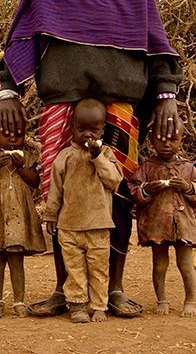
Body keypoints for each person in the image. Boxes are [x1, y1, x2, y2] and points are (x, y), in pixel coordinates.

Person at [0, 0, 183, 318]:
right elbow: (25, 29)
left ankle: (112, 289)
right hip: (63, 101)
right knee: (62, 196)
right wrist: (8, 89)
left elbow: (154, 37)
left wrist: (167, 94)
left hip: (120, 104)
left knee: (116, 197)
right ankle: (66, 289)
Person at [43, 99, 123, 323]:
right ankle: (77, 305)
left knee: (98, 268)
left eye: (94, 130)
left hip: (98, 225)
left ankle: (99, 306)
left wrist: (97, 157)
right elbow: (55, 190)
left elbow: (114, 180)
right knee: (74, 269)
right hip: (69, 225)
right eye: (81, 129)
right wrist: (51, 215)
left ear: (102, 130)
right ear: (72, 127)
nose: (87, 134)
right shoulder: (65, 156)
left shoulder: (106, 155)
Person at [0, 119, 46, 319]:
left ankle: (19, 301)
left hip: (18, 217)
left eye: (19, 134)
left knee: (16, 259)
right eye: (6, 134)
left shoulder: (28, 157)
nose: (13, 139)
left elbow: (35, 182)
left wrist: (22, 167)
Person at [128, 126, 196, 317]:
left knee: (185, 264)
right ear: (151, 141)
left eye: (173, 139)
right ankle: (162, 299)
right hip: (157, 224)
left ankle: (190, 300)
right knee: (160, 264)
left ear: (181, 140)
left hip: (183, 223)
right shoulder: (147, 167)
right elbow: (134, 190)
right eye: (161, 139)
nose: (167, 144)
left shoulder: (187, 168)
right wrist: (147, 189)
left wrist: (188, 187)